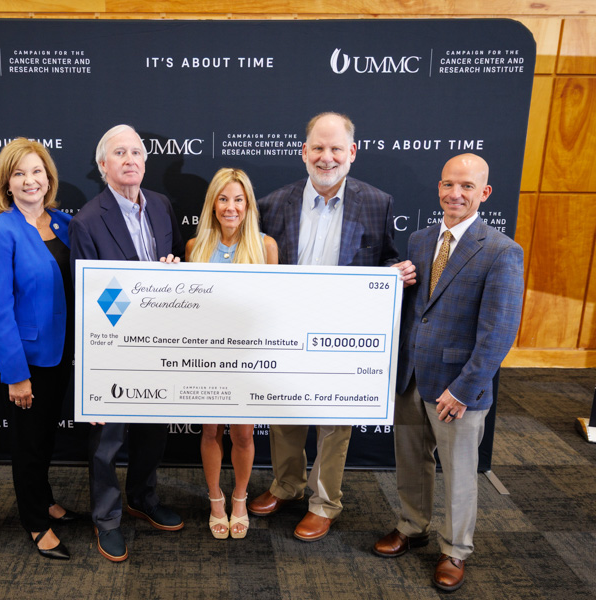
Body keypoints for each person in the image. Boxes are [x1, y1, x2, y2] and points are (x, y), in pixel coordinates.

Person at [249, 112, 416, 542]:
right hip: (285, 331)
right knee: (284, 414)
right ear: (304, 152)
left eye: (336, 148)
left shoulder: (378, 202)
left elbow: (384, 260)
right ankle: (287, 485)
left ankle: (324, 503)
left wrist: (391, 274)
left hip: (343, 334)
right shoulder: (271, 204)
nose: (327, 158)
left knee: (334, 422)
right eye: (318, 148)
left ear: (352, 153)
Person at [372, 154, 523, 592]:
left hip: (458, 388)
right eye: (448, 185)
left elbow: (499, 333)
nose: (455, 194)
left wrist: (464, 389)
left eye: (467, 187)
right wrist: (390, 279)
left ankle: (456, 550)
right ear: (439, 187)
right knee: (411, 462)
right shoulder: (420, 240)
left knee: (458, 472)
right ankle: (411, 526)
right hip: (411, 376)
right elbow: (415, 309)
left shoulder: (501, 251)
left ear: (484, 193)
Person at [69, 124, 186, 562]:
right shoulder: (87, 220)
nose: (131, 159)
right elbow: (89, 293)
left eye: (137, 152)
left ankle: (142, 498)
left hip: (159, 346)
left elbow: (177, 262)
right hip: (112, 349)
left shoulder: (160, 204)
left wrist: (170, 274)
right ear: (103, 165)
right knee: (107, 443)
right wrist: (141, 295)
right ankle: (107, 519)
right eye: (120, 152)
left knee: (153, 434)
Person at [0, 139, 76, 561]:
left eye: (37, 171)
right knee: (29, 443)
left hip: (65, 352)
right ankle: (35, 520)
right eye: (19, 173)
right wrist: (15, 374)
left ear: (48, 178)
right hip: (28, 360)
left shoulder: (67, 223)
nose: (30, 180)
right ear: (6, 183)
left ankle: (45, 497)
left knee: (46, 436)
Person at [185, 168, 278, 540]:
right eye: (223, 199)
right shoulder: (195, 248)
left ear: (248, 205)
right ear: (213, 204)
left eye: (238, 199)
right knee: (211, 430)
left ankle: (240, 498)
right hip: (205, 357)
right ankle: (215, 499)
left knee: (242, 434)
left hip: (248, 357)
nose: (231, 207)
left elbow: (273, 310)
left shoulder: (265, 247)